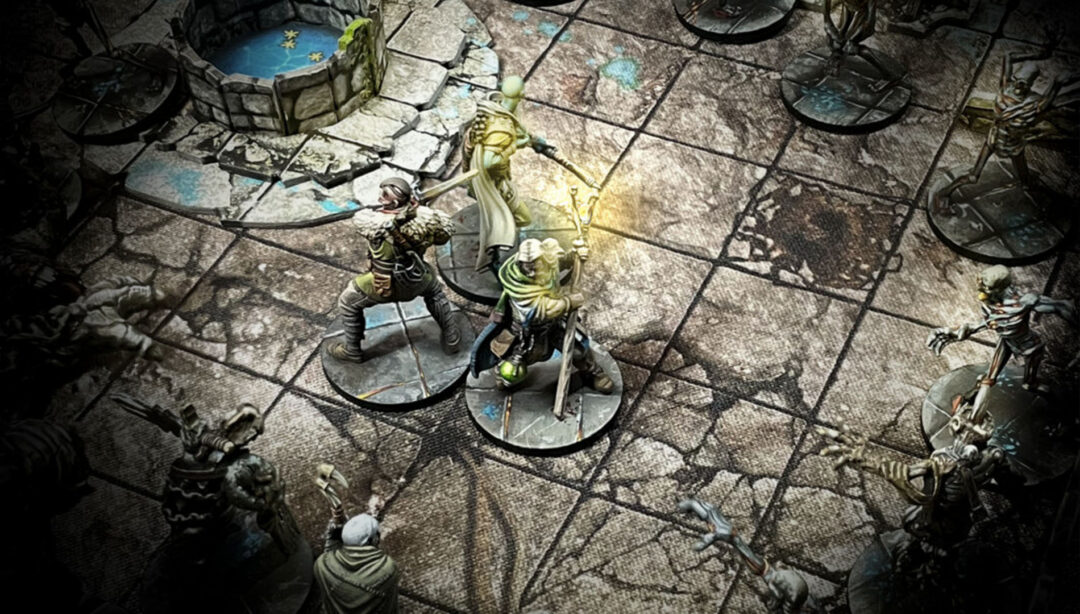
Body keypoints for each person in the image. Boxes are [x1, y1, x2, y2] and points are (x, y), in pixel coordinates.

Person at [329, 178, 461, 363]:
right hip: (418, 277)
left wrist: (406, 218)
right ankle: (452, 339)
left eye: (385, 195)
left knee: (347, 302)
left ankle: (352, 351)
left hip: (385, 283)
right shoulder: (424, 219)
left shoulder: (375, 224)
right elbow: (442, 236)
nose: (380, 198)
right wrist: (419, 214)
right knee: (435, 293)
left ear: (396, 202)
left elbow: (367, 227)